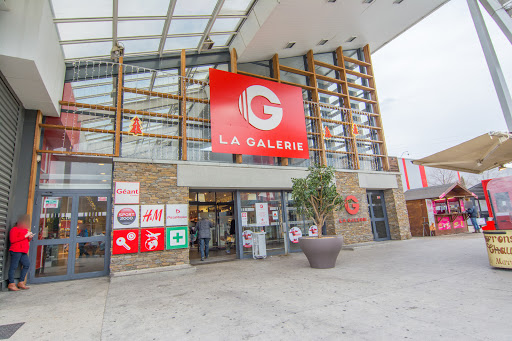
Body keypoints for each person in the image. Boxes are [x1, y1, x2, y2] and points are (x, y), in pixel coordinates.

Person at [8, 214, 34, 291]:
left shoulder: (25, 230)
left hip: (23, 251)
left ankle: (21, 282)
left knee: (27, 264)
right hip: (16, 250)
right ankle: (11, 283)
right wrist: (25, 236)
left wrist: (29, 238)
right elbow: (13, 240)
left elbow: (25, 240)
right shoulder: (14, 229)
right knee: (14, 266)